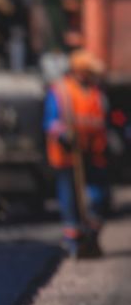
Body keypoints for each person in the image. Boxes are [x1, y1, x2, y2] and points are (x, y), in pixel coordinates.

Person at [44, 49, 110, 258]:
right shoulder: (61, 91)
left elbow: (102, 121)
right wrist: (64, 134)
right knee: (70, 198)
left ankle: (91, 234)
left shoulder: (97, 94)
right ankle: (74, 240)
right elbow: (50, 121)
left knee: (98, 197)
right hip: (68, 155)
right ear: (80, 72)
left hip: (93, 153)